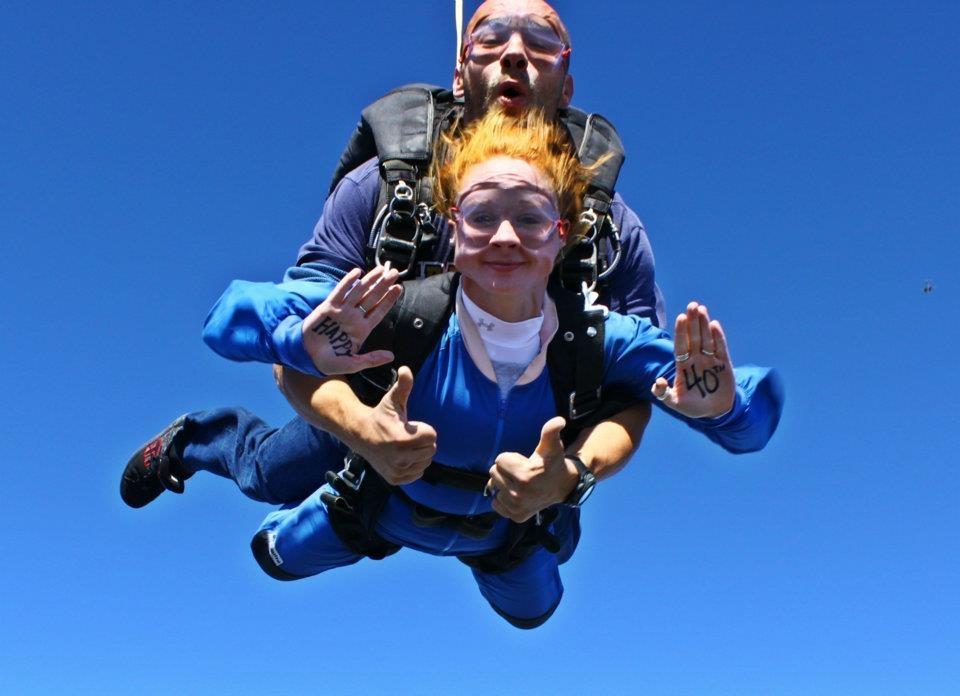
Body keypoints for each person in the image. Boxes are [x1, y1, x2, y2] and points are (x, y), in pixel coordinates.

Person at [226, 109, 783, 628]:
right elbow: (231, 317)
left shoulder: (599, 336)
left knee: (533, 614)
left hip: (507, 535)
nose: (505, 236)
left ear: (561, 234)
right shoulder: (401, 311)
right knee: (273, 556)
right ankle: (198, 440)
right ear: (454, 229)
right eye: (482, 215)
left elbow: (746, 423)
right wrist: (304, 348)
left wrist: (723, 410)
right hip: (378, 502)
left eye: (530, 218)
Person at [121, 0, 660, 523]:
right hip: (373, 403)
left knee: (532, 606)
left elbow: (634, 396)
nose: (515, 54)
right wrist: (360, 429)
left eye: (542, 42)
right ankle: (192, 442)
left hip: (520, 446)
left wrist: (571, 473)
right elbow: (293, 343)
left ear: (566, 86)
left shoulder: (609, 233)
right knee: (268, 475)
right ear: (459, 75)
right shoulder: (382, 190)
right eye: (491, 39)